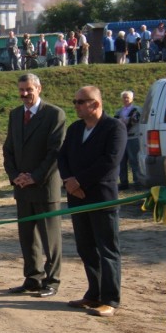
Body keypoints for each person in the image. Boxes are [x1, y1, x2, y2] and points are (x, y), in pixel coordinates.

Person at [58, 86, 127, 318]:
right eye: (75, 101)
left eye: (80, 102)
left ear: (95, 104)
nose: (76, 105)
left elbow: (110, 161)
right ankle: (93, 293)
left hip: (101, 198)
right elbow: (63, 156)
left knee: (107, 249)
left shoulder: (114, 127)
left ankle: (110, 299)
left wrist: (80, 182)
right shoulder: (76, 128)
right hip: (76, 197)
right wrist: (69, 181)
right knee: (85, 247)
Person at [3, 74, 65, 297]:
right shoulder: (15, 114)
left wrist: (35, 177)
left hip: (44, 187)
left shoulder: (54, 114)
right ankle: (32, 278)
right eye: (21, 90)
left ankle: (52, 280)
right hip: (22, 188)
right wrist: (15, 176)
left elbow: (55, 152)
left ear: (39, 88)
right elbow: (8, 149)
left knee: (50, 239)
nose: (25, 94)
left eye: (29, 89)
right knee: (27, 237)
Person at [115, 90, 142, 190]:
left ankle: (137, 182)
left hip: (133, 137)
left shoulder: (137, 109)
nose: (126, 99)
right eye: (124, 97)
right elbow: (116, 122)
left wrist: (124, 120)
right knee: (121, 161)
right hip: (122, 138)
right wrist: (125, 120)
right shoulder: (119, 111)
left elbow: (134, 120)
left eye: (128, 97)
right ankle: (123, 182)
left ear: (132, 98)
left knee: (134, 160)